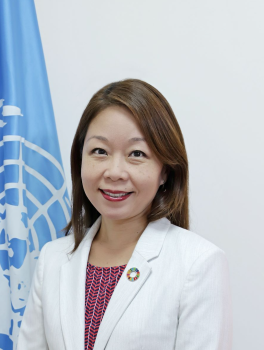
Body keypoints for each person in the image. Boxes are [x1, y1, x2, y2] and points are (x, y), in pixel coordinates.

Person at [17, 79, 232, 350]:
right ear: (80, 159)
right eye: (100, 151)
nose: (115, 172)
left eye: (136, 153)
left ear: (165, 170)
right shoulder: (52, 259)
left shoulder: (199, 264)